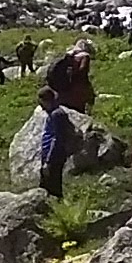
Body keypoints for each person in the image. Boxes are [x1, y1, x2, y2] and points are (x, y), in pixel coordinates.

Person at [32, 35, 97, 197]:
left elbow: (55, 138)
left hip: (65, 93)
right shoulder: (84, 57)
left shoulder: (67, 56)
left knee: (51, 183)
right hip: (76, 92)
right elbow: (82, 73)